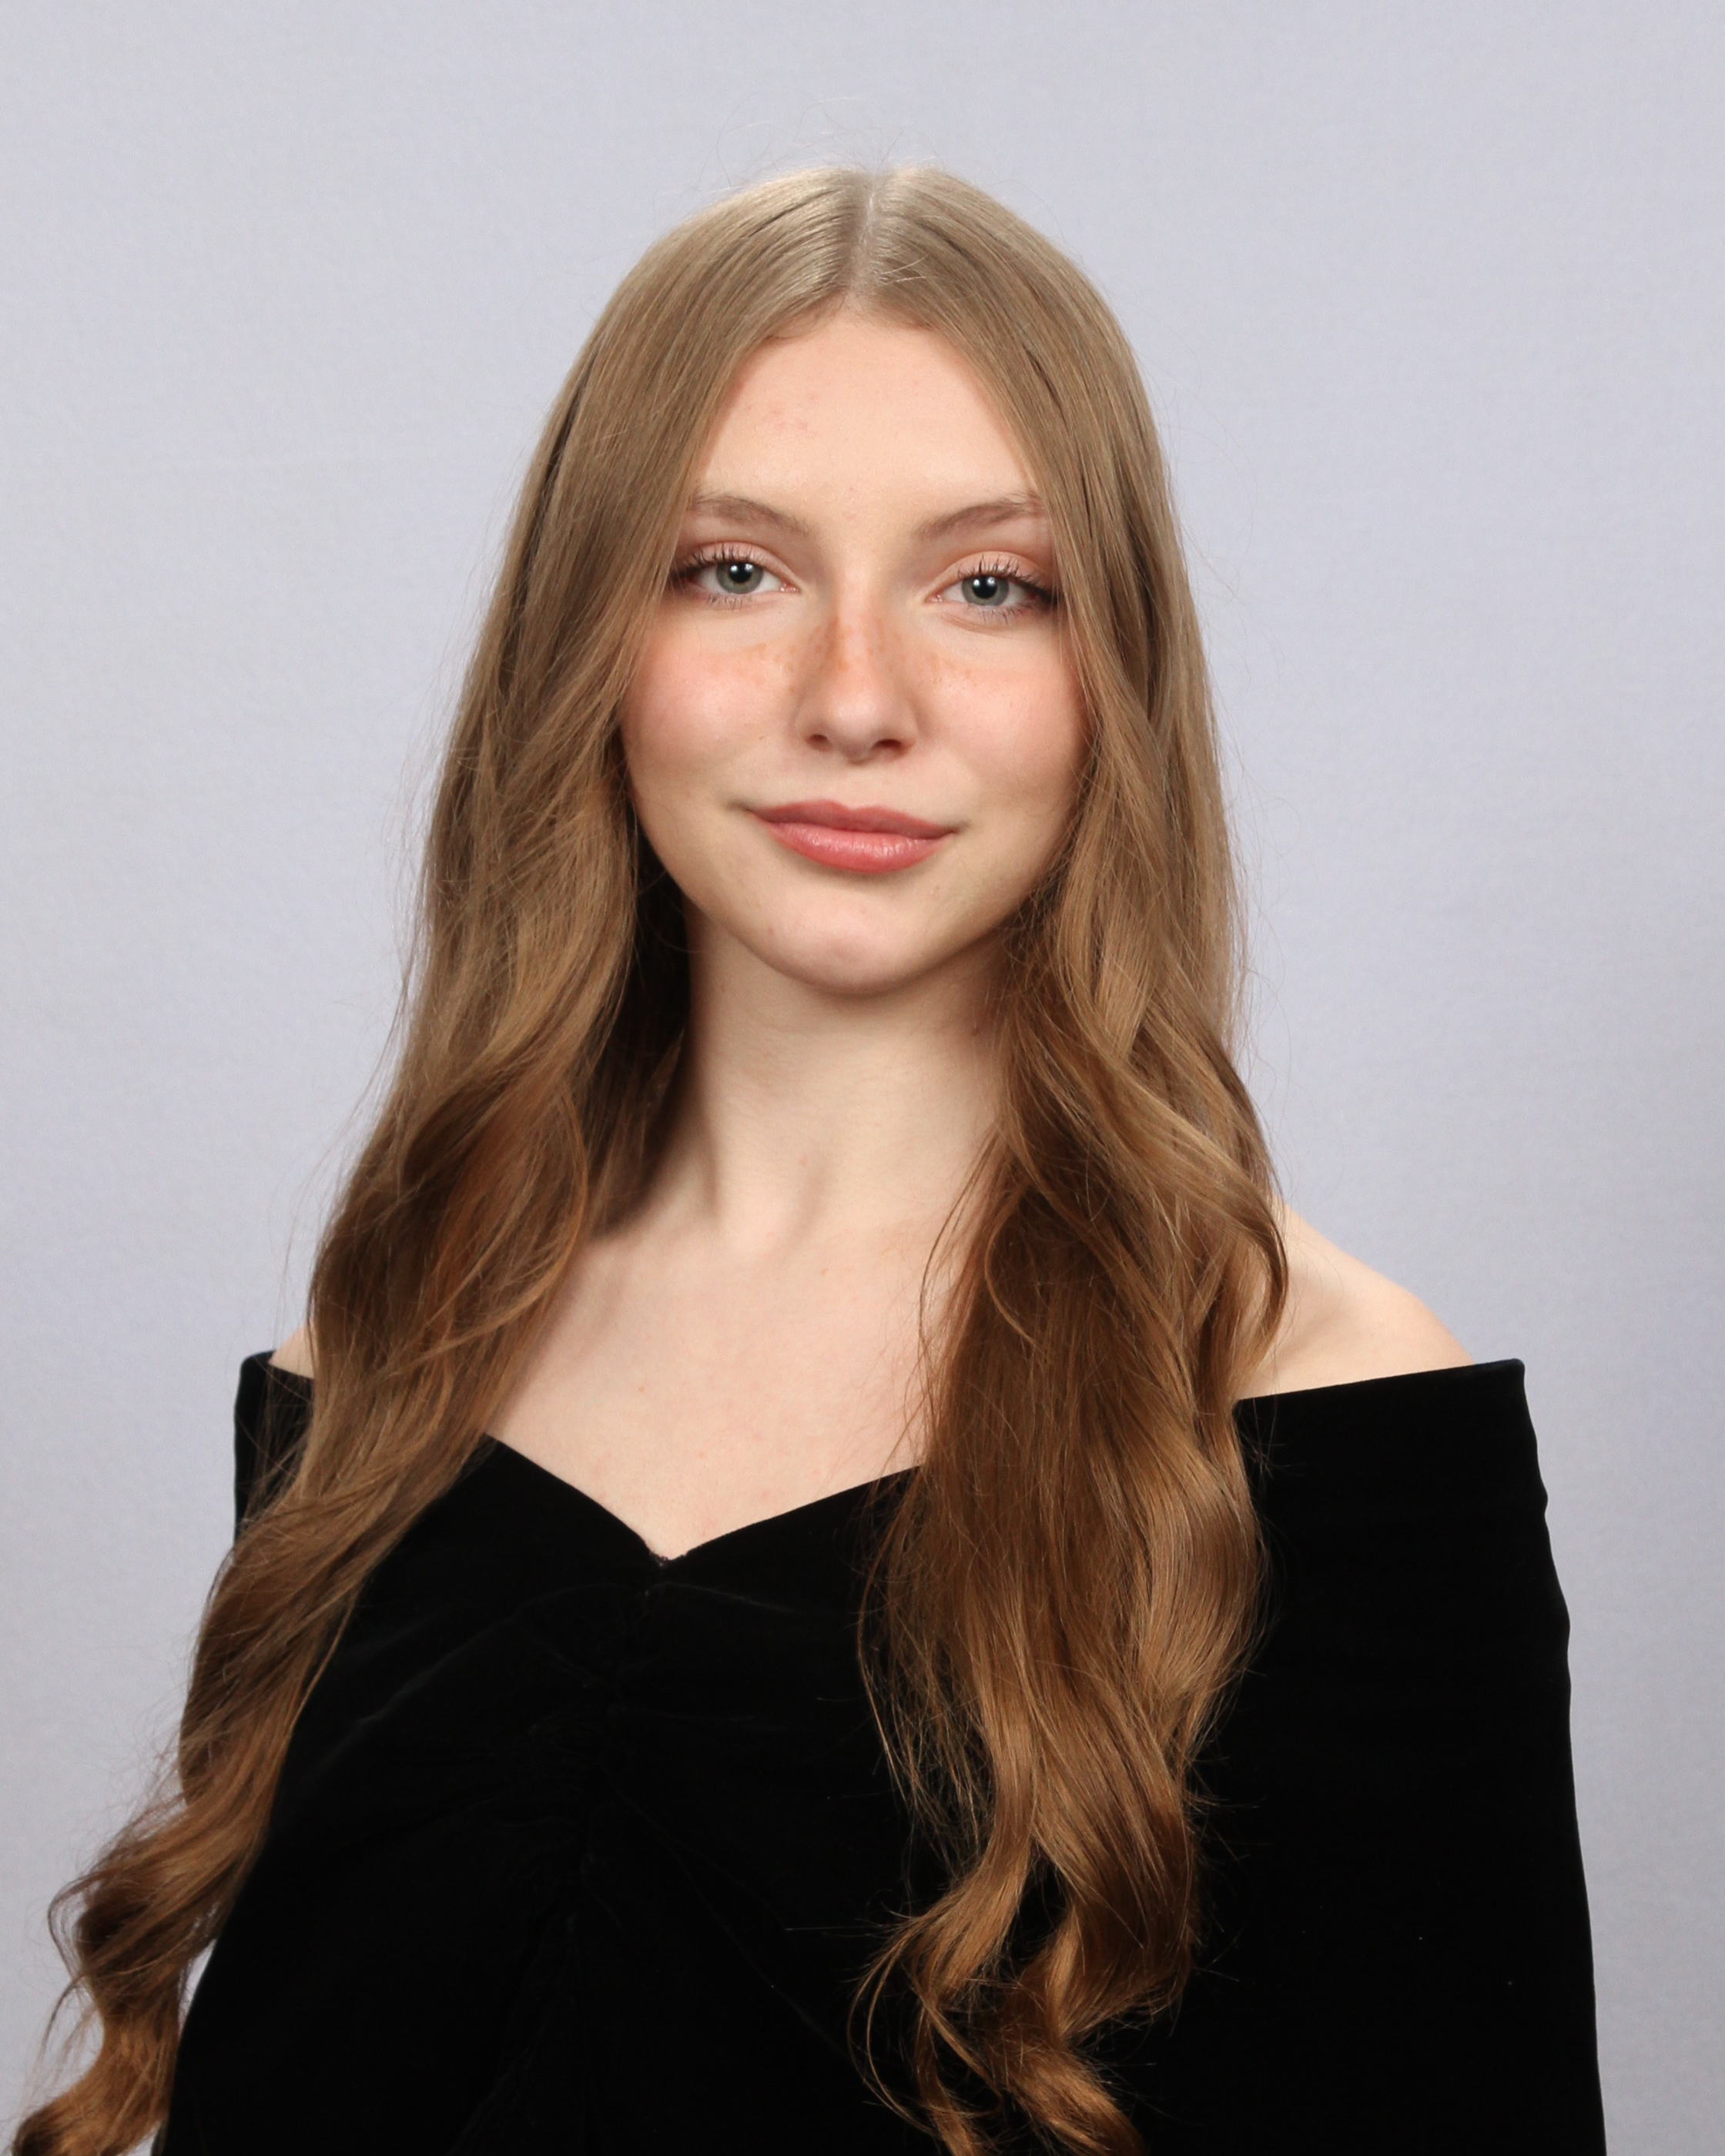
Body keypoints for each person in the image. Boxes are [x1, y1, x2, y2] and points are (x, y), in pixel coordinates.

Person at [17, 166, 1605, 2156]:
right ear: (588, 642)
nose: (858, 702)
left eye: (988, 586)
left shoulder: (1323, 1411)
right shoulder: (389, 1357)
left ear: (1114, 675)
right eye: (733, 572)